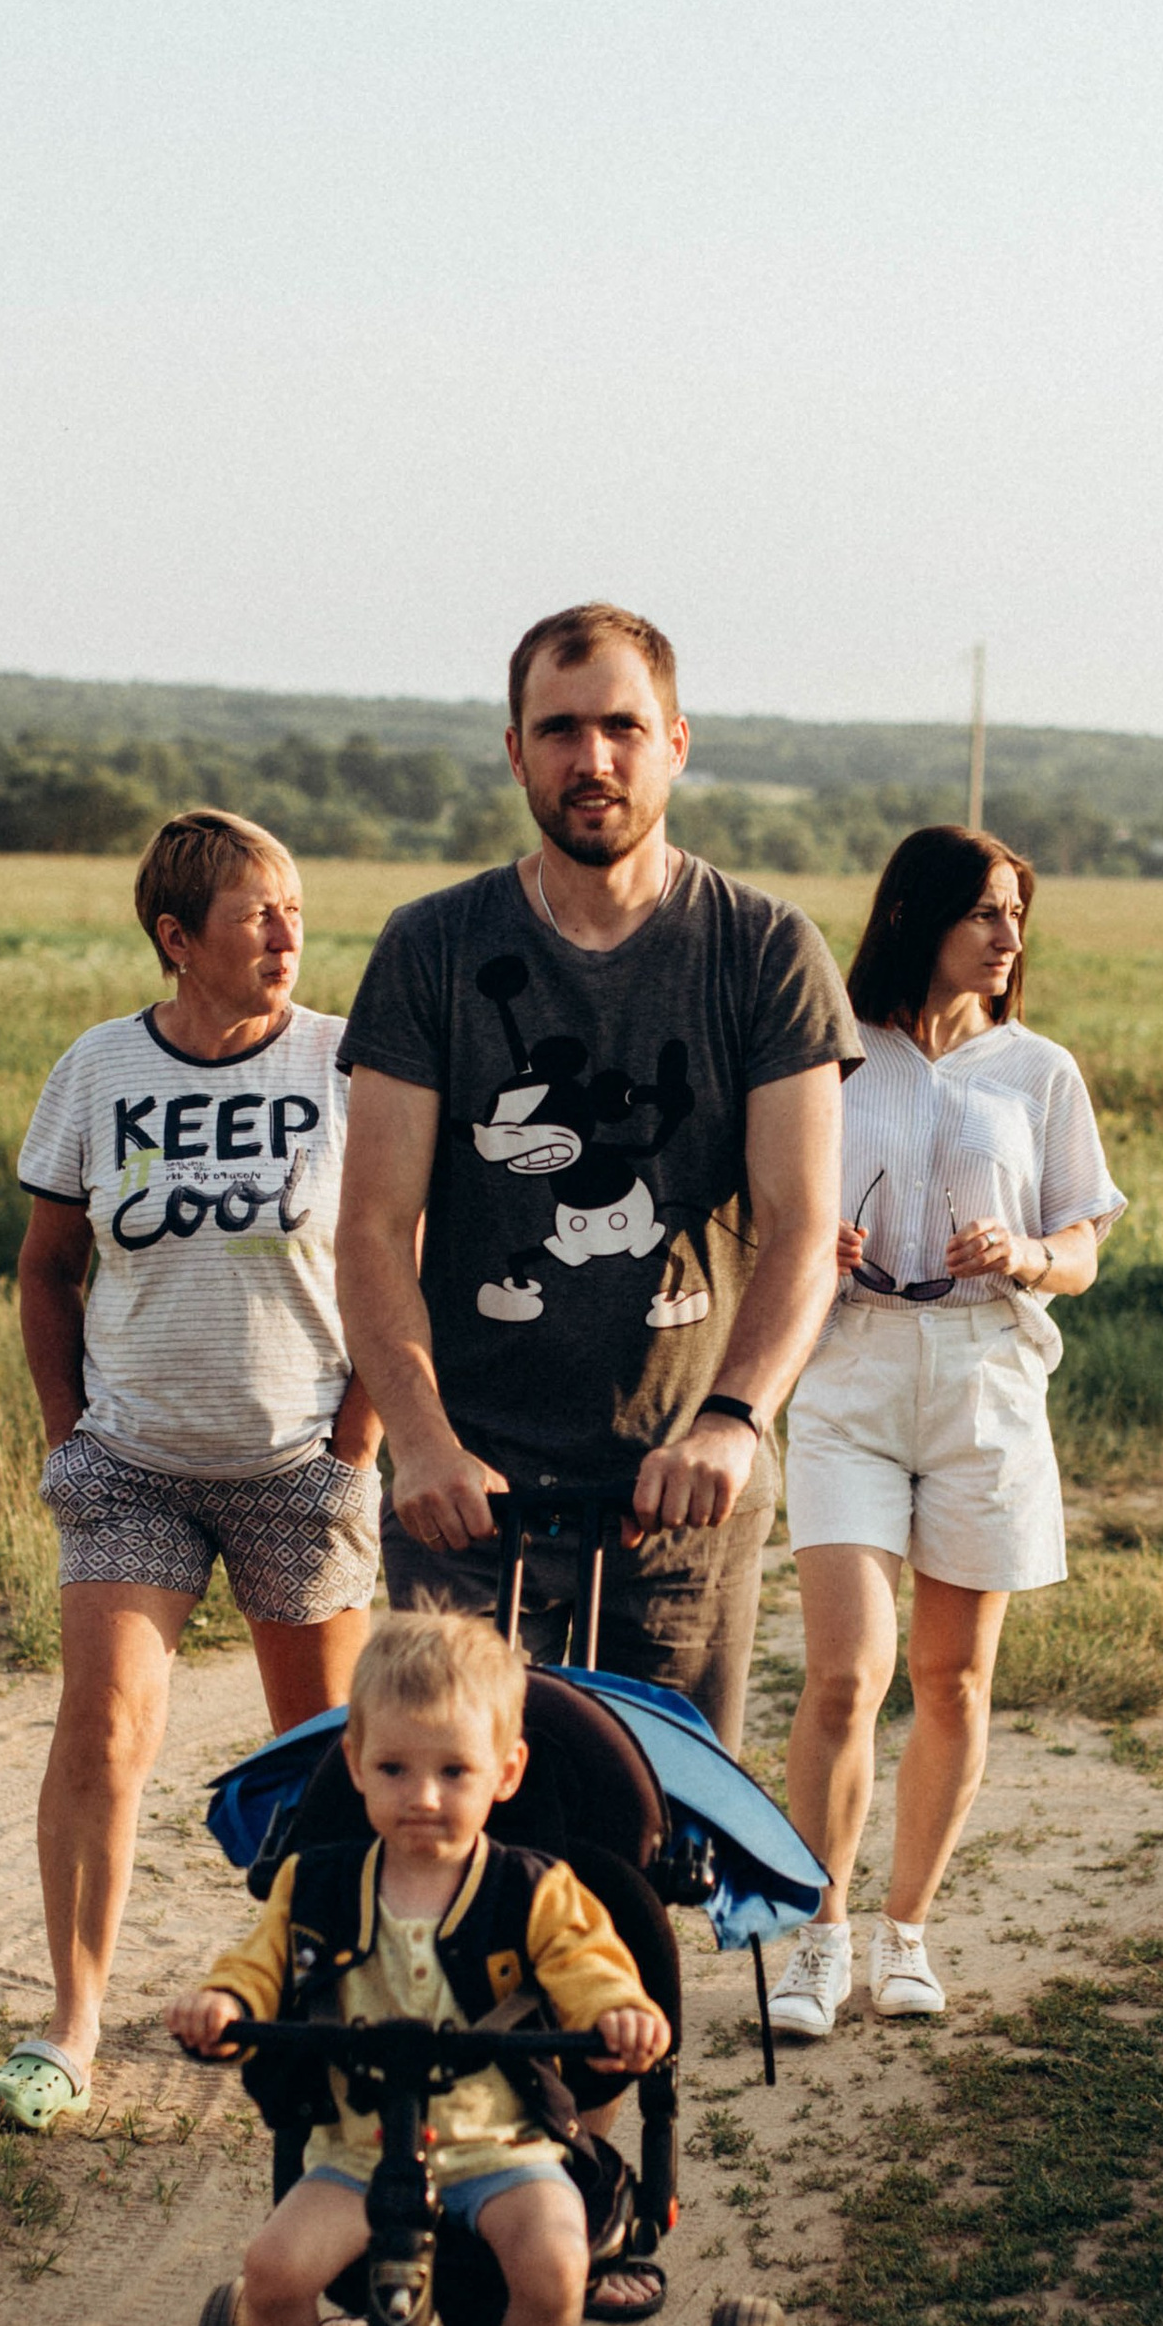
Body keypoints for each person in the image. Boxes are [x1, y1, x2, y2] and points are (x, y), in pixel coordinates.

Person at [333, 600, 856, 1764]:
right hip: (464, 1491)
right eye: (559, 730)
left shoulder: (764, 950)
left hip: (680, 1492)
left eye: (621, 727)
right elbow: (371, 1227)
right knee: (449, 1830)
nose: (593, 760)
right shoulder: (433, 948)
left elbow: (804, 1224)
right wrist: (417, 1442)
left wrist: (730, 1423)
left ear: (675, 739)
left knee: (647, 1831)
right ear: (516, 752)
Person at [0, 811, 383, 2132]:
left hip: (294, 1467)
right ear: (175, 937)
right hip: (130, 1466)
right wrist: (64, 1430)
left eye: (295, 910)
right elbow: (45, 1267)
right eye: (259, 914)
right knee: (101, 1729)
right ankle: (69, 2034)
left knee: (324, 1759)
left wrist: (356, 1438)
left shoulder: (345, 1068)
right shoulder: (99, 1069)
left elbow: (391, 1257)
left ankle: (335, 2003)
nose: (288, 935)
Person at [168, 1614, 669, 2326]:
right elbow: (257, 1969)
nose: (423, 1797)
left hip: (503, 2149)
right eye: (394, 1769)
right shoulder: (315, 1885)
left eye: (453, 1772)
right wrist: (223, 2007)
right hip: (360, 2156)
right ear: (353, 1762)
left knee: (558, 2266)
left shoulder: (535, 1890)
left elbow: (592, 1966)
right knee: (272, 2275)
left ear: (505, 1775)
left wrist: (619, 2014)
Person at [769, 828, 1128, 2037]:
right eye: (985, 912)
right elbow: (765, 1205)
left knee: (954, 1679)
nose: (1009, 936)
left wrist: (1030, 1254)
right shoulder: (832, 1058)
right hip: (851, 1369)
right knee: (843, 1676)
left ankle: (904, 1932)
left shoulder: (1039, 1071)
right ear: (919, 916)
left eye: (1018, 913)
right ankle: (816, 1938)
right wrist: (814, 1248)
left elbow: (1082, 1240)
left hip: (984, 1374)